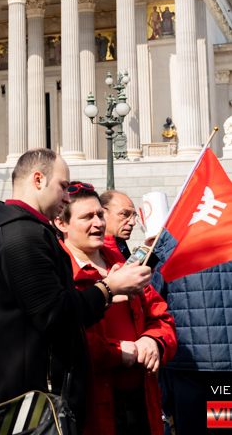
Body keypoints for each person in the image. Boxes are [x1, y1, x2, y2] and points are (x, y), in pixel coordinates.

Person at [0, 149, 153, 425]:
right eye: (63, 186)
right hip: (29, 403)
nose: (67, 197)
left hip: (23, 395)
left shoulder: (20, 230)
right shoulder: (22, 236)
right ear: (38, 180)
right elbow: (55, 315)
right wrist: (108, 288)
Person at [56, 183, 175, 435]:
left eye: (100, 215)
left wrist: (153, 341)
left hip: (143, 400)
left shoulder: (123, 263)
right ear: (62, 223)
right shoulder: (59, 272)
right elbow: (67, 339)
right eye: (87, 217)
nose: (98, 223)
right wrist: (119, 352)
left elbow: (161, 316)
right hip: (94, 408)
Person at [152, 229, 232, 433]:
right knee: (221, 422)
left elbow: (154, 293)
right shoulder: (228, 231)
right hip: (225, 361)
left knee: (191, 425)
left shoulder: (173, 236)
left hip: (186, 359)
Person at [100, 190, 136, 260]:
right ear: (102, 213)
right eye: (124, 214)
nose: (133, 222)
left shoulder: (120, 243)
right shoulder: (93, 251)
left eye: (134, 216)